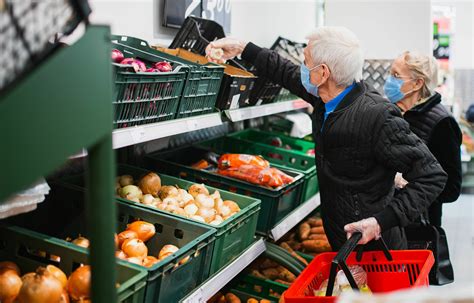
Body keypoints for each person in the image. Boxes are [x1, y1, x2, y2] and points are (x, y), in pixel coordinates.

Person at [206, 27, 447, 250]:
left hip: (375, 249)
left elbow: (432, 176)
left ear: (322, 73)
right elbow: (283, 70)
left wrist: (380, 222)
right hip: (342, 241)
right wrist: (242, 47)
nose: (301, 66)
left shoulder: (377, 116)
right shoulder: (326, 98)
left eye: (305, 61)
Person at [385, 51, 462, 227]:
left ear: (418, 83)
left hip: (419, 225)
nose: (389, 81)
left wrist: (405, 185)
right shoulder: (391, 112)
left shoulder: (442, 123)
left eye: (396, 75)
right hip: (387, 220)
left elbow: (451, 188)